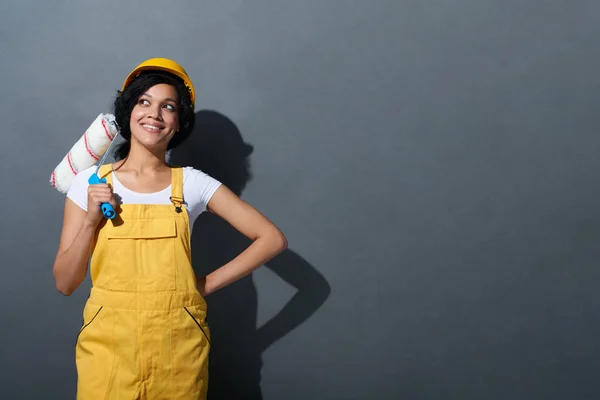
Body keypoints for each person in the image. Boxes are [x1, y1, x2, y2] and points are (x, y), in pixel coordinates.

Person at [52, 58, 288, 399]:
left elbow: (272, 239)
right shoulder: (88, 187)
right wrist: (91, 220)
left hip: (178, 350)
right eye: (144, 102)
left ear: (179, 123)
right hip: (108, 349)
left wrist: (202, 285)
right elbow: (64, 283)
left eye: (168, 106)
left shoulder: (191, 184)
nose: (154, 114)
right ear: (128, 111)